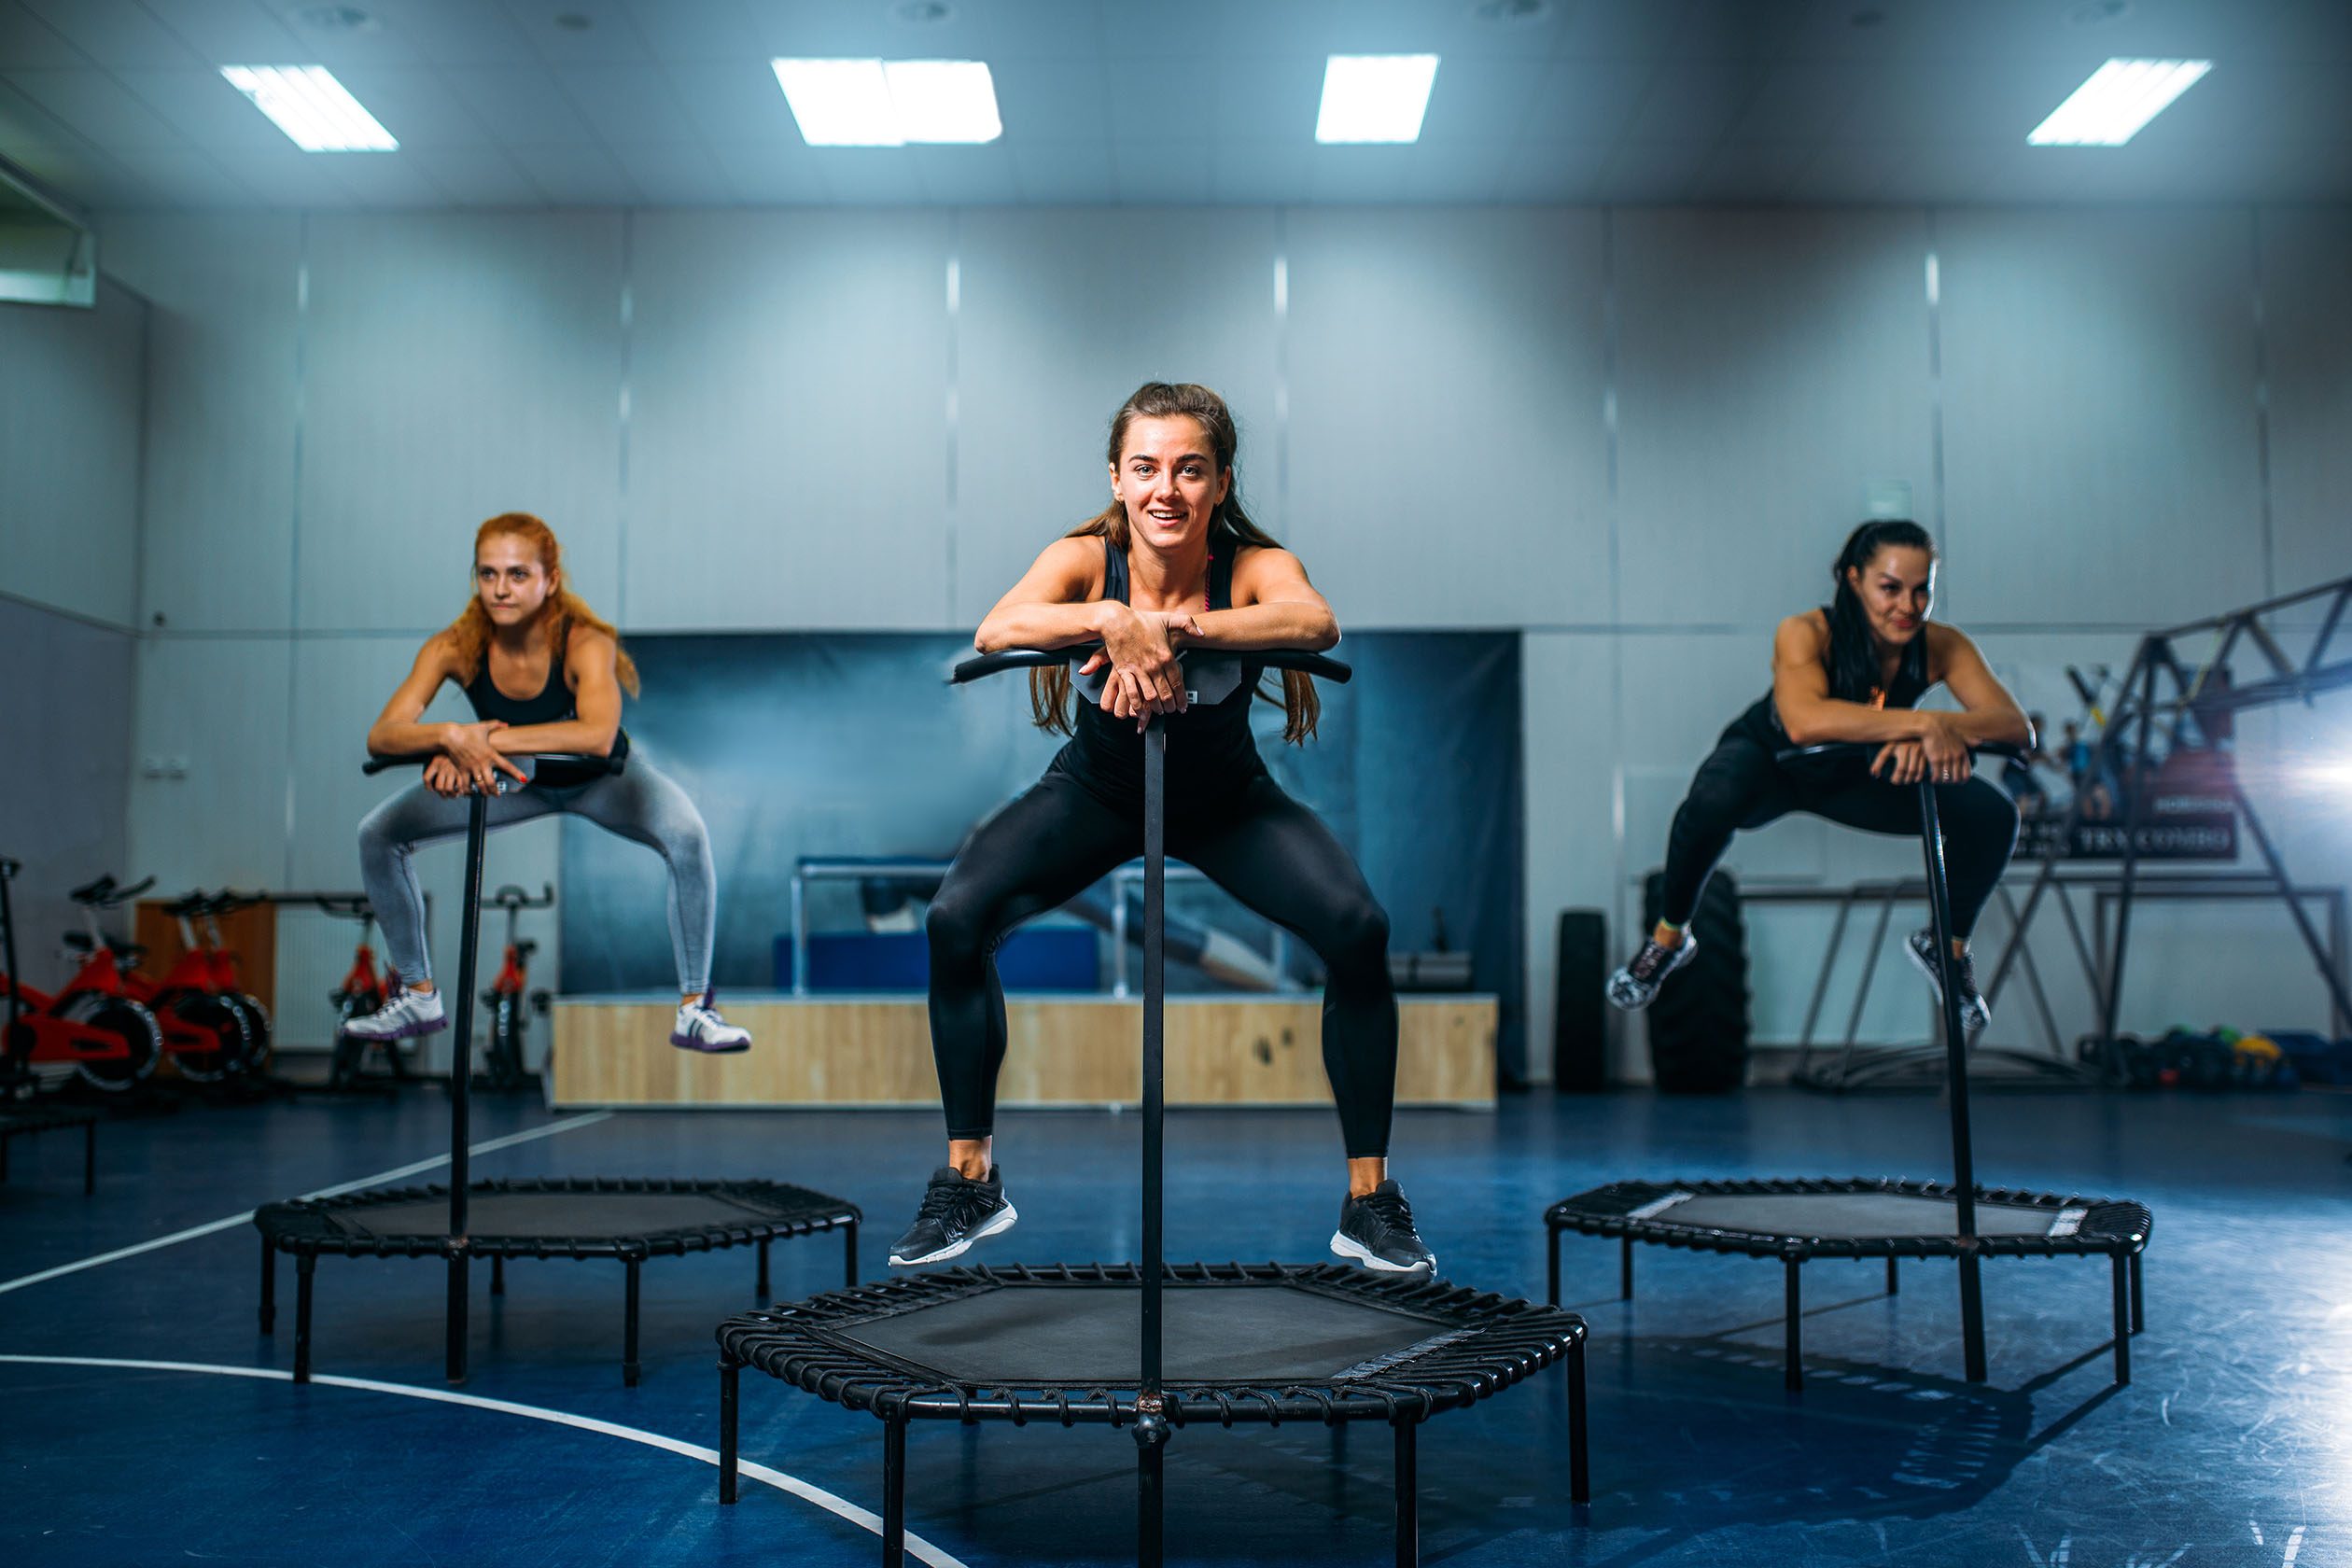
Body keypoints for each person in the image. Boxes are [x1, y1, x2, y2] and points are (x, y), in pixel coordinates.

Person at [888, 383, 1431, 1275]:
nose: (1164, 490)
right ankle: (970, 1180)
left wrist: (1177, 632)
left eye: (1189, 469)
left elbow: (1313, 619)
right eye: (1144, 468)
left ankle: (1369, 1201)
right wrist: (1112, 619)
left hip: (1227, 803)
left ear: (1219, 482)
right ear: (1116, 477)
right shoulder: (1084, 557)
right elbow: (1000, 627)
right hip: (1096, 793)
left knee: (1359, 931)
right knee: (955, 919)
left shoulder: (1250, 563)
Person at [345, 512, 751, 1055]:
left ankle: (695, 1010)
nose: (501, 589)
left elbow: (596, 736)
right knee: (378, 834)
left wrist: (475, 745)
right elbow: (382, 736)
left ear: (550, 581)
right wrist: (448, 736)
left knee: (688, 836)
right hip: (519, 783)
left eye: (517, 575)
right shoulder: (454, 647)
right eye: (488, 574)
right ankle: (419, 994)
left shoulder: (586, 642)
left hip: (603, 780)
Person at [1608, 519, 2031, 1034]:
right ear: (1854, 580)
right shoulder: (1806, 632)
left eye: (1923, 591)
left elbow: (2014, 728)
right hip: (1772, 762)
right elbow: (1805, 722)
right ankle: (1669, 937)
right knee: (1711, 799)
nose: (1908, 606)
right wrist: (1924, 725)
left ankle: (1948, 947)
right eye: (1890, 588)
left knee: (1992, 816)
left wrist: (1931, 734)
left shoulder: (1941, 645)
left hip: (1859, 771)